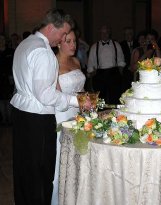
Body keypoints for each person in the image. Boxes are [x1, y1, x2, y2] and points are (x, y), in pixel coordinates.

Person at [10, 9, 77, 205]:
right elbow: (45, 94)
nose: (63, 38)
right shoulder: (43, 51)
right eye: (63, 33)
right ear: (50, 27)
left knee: (24, 167)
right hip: (37, 118)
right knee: (41, 171)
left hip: (22, 113)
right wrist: (75, 101)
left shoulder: (26, 43)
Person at [51, 29, 86, 205]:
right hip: (61, 115)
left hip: (78, 116)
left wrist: (87, 100)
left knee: (76, 159)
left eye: (75, 41)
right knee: (60, 161)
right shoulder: (53, 64)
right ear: (58, 42)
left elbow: (80, 90)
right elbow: (54, 96)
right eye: (69, 41)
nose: (73, 45)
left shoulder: (76, 61)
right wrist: (79, 101)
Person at [87, 25, 125, 104]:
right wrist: (92, 76)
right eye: (102, 33)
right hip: (100, 74)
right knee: (101, 100)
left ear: (109, 33)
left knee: (115, 98)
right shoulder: (94, 46)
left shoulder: (116, 45)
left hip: (114, 73)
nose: (104, 34)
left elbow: (121, 61)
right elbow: (90, 64)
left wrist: (119, 74)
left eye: (106, 32)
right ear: (100, 34)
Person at [120, 27, 137, 92]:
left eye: (129, 34)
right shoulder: (120, 45)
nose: (127, 36)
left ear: (132, 34)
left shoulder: (137, 43)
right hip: (125, 71)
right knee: (126, 90)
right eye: (125, 34)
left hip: (136, 70)